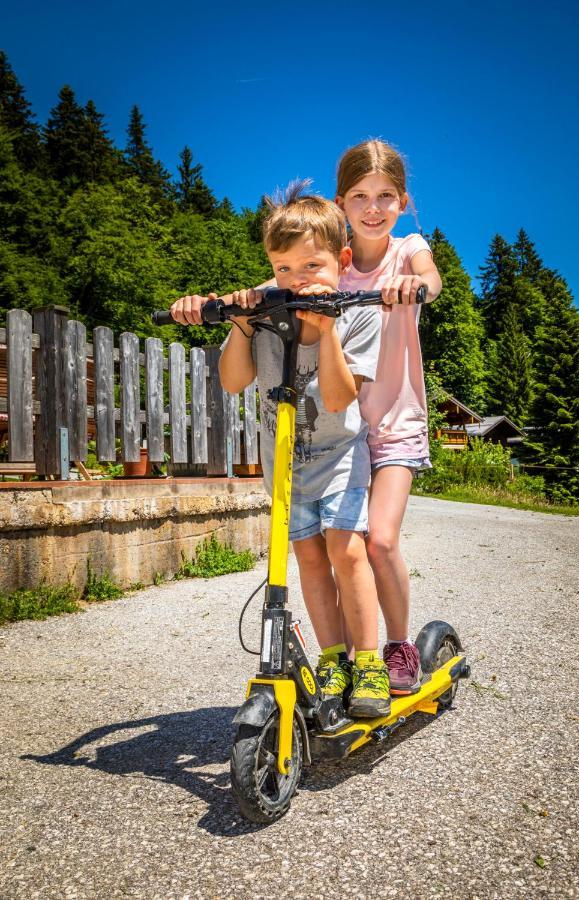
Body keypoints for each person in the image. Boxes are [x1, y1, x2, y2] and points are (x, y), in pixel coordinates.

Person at [170, 183, 391, 718]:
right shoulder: (266, 314)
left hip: (340, 461)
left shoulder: (358, 312)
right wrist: (243, 325)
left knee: (348, 552)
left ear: (341, 260)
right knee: (311, 562)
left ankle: (368, 663)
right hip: (285, 468)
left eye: (312, 266)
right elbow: (231, 381)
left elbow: (340, 398)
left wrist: (326, 329)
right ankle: (333, 657)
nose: (298, 280)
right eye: (284, 269)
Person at [335, 139, 442, 695]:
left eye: (384, 196)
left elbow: (433, 278)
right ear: (341, 203)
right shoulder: (335, 265)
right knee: (344, 547)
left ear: (402, 201)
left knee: (380, 540)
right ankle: (359, 650)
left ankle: (399, 645)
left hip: (397, 423)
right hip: (343, 430)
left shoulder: (407, 252)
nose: (372, 208)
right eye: (359, 196)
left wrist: (415, 285)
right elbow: (285, 283)